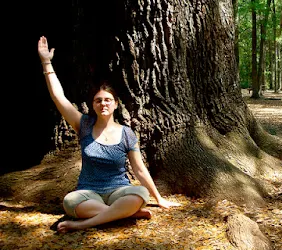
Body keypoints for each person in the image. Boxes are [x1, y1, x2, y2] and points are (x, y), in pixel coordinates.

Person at [38, 36, 181, 233]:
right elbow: (58, 97)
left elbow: (139, 170)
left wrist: (159, 198)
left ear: (115, 104)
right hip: (89, 192)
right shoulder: (84, 125)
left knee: (140, 193)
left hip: (120, 191)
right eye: (98, 100)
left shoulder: (126, 133)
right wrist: (46, 62)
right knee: (70, 201)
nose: (103, 103)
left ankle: (84, 223)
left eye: (107, 100)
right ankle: (124, 213)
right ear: (93, 105)